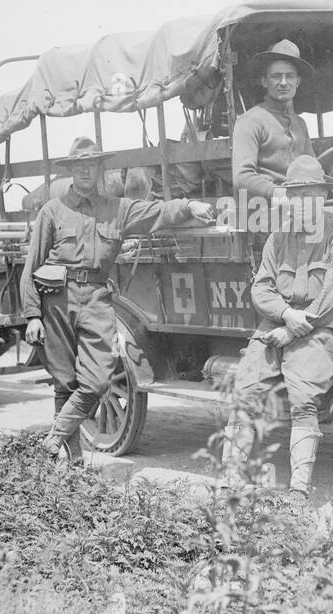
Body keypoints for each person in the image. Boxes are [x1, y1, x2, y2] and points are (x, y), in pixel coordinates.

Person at [21, 137, 215, 461]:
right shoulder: (52, 211)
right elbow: (33, 265)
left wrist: (188, 206)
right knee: (65, 382)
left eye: (92, 165)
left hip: (96, 299)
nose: (86, 171)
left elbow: (156, 212)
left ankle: (53, 440)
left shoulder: (117, 209)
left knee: (97, 381)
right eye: (79, 165)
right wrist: (32, 316)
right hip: (56, 301)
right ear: (71, 170)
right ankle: (75, 466)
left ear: (99, 169)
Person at [228, 154, 333, 501]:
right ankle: (233, 480)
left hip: (319, 326)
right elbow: (261, 288)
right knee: (245, 389)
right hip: (278, 323)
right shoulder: (278, 237)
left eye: (311, 194)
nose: (304, 202)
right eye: (297, 195)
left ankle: (298, 489)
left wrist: (298, 324)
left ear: (322, 197)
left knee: (303, 399)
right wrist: (284, 315)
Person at [231, 39, 315, 203]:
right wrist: (276, 193)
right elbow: (242, 177)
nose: (283, 82)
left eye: (290, 76)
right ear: (264, 81)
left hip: (299, 207)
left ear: (298, 81)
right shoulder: (250, 121)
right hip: (263, 211)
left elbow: (312, 166)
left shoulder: (300, 124)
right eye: (276, 76)